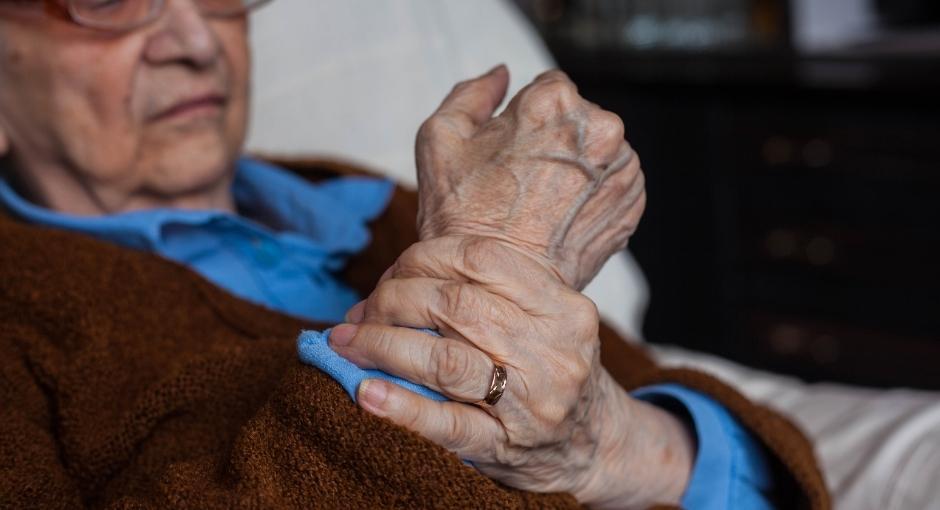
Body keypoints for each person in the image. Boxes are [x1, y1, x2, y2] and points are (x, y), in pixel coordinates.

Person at [0, 0, 828, 508]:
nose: (196, 39)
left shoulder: (369, 204)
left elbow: (721, 455)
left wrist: (614, 447)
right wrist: (481, 262)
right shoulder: (23, 308)